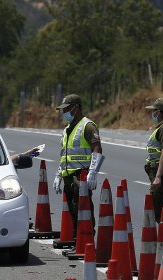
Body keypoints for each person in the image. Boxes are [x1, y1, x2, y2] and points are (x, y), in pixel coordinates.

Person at [52, 94, 104, 238]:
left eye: (67, 109)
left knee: (82, 208)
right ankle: (77, 241)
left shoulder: (87, 126)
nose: (64, 112)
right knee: (73, 210)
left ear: (76, 108)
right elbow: (65, 155)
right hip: (68, 177)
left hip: (81, 175)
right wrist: (58, 174)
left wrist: (93, 172)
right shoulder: (68, 129)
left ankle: (86, 240)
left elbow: (97, 148)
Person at [144, 97, 163, 223]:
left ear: (159, 112)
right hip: (154, 170)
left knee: (157, 208)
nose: (152, 114)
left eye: (154, 111)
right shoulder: (159, 128)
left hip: (159, 171)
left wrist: (158, 176)